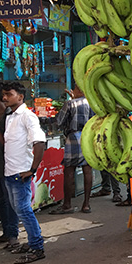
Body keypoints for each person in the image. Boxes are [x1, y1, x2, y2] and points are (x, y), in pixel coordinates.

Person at [2, 82, 46, 264]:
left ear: (20, 96)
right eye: (3, 94)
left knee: (24, 210)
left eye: (8, 94)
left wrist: (32, 169)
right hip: (10, 172)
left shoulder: (28, 117)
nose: (5, 98)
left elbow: (39, 142)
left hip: (21, 173)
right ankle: (31, 242)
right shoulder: (10, 117)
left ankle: (37, 247)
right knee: (18, 209)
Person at [50, 86, 94, 214]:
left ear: (79, 91)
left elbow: (59, 121)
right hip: (88, 137)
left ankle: (67, 204)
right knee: (88, 171)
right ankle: (86, 204)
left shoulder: (70, 104)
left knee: (69, 171)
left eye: (74, 89)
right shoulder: (92, 104)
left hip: (73, 137)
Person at [0, 83, 19, 248]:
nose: (5, 98)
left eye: (7, 94)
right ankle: (7, 232)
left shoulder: (9, 116)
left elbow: (8, 143)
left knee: (9, 200)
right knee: (1, 199)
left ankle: (13, 235)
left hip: (7, 163)